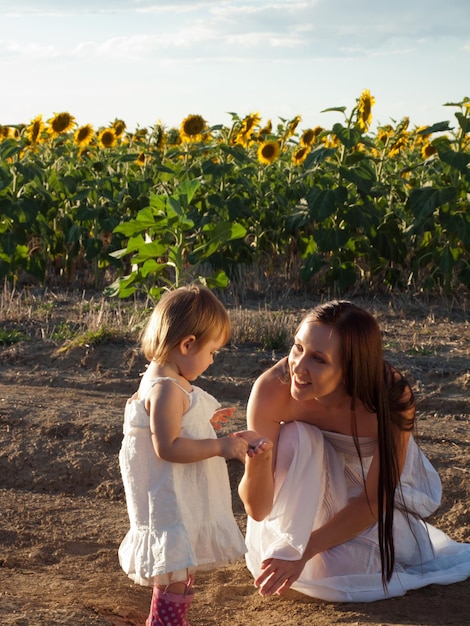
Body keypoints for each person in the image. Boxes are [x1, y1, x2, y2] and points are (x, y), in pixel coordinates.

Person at [238, 300, 470, 602]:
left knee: (344, 572)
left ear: (350, 370)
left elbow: (374, 500)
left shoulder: (389, 399)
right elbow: (258, 510)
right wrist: (259, 464)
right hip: (304, 493)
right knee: (297, 436)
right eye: (297, 347)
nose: (298, 366)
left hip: (365, 495)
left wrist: (304, 551)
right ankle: (295, 544)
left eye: (319, 359)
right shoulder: (272, 390)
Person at [118, 285, 248, 626]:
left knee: (179, 559)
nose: (211, 360)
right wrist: (220, 446)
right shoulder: (165, 389)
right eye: (212, 352)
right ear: (187, 344)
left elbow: (176, 424)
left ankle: (167, 619)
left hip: (173, 491)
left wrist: (206, 425)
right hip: (168, 494)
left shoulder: (163, 377)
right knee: (174, 563)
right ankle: (165, 622)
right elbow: (168, 446)